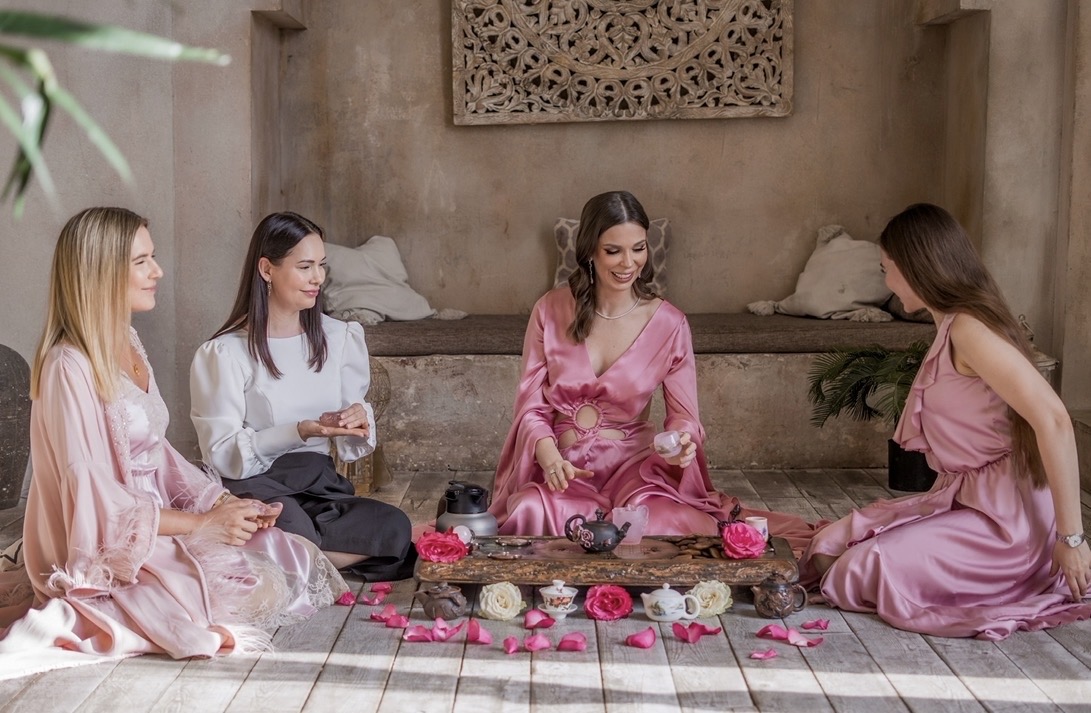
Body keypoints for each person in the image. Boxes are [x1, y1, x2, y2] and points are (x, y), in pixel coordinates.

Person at [0, 207, 347, 669]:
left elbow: (157, 455)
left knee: (284, 556)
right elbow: (91, 492)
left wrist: (218, 503)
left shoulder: (127, 340)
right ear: (102, 272)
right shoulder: (69, 366)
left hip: (157, 521)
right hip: (109, 538)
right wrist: (201, 526)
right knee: (216, 601)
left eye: (153, 257)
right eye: (141, 261)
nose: (157, 271)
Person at [799, 203, 1091, 640]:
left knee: (858, 569)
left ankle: (1008, 574)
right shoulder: (951, 327)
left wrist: (1071, 539)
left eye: (886, 268)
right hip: (967, 498)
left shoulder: (969, 330)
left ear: (916, 267)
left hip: (1008, 523)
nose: (886, 281)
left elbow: (1053, 419)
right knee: (826, 548)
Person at [490, 190, 819, 550]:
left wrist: (682, 445)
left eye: (639, 248)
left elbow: (685, 419)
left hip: (633, 472)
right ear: (589, 251)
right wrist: (548, 455)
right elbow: (531, 406)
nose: (628, 263)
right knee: (529, 511)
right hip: (563, 471)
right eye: (613, 250)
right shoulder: (549, 310)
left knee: (665, 523)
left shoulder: (670, 324)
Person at [190, 211, 415, 581]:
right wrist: (299, 431)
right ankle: (301, 561)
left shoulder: (339, 338)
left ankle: (293, 566)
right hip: (255, 485)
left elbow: (352, 441)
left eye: (322, 266)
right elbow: (223, 455)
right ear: (267, 269)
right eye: (305, 266)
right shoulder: (225, 353)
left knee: (393, 526)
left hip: (320, 486)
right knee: (292, 524)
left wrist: (357, 419)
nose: (318, 279)